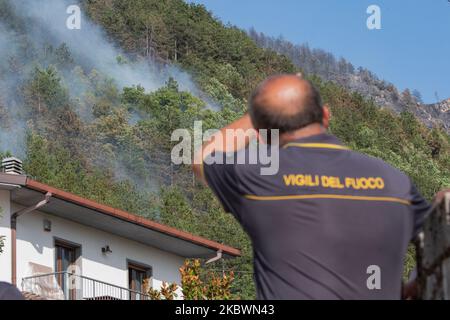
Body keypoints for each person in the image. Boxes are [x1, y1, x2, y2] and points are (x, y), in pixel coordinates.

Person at [192, 74, 434, 299]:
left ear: (263, 135)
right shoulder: (394, 181)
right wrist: (410, 287)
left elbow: (204, 156)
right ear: (326, 116)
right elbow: (441, 238)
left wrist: (260, 114)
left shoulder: (254, 175)